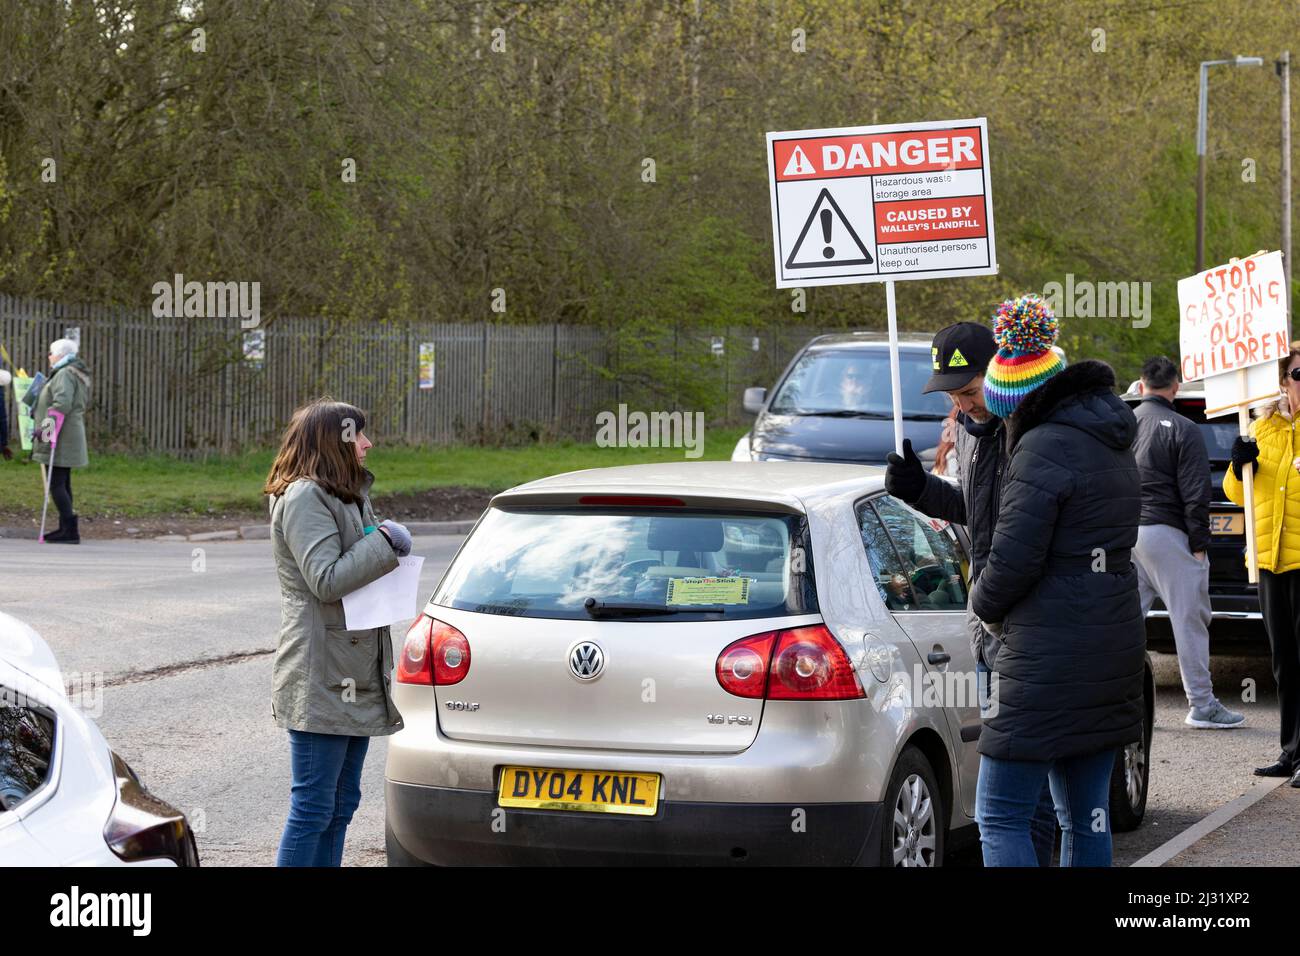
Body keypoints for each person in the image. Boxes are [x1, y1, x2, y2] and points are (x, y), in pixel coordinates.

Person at [967, 295, 1146, 867]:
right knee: (1086, 818)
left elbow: (1014, 561)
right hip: (1111, 645)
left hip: (1046, 657)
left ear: (1018, 402)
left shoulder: (1041, 448)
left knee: (1000, 816)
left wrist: (981, 601)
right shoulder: (1111, 439)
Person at [884, 317, 1058, 867]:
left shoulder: (1029, 436)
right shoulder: (968, 430)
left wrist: (987, 601)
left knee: (1028, 797)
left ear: (1001, 375)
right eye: (955, 396)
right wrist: (920, 492)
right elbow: (974, 512)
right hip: (989, 634)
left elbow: (1025, 537)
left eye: (970, 391)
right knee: (1015, 793)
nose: (963, 404)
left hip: (1029, 631)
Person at [265, 398, 413, 866]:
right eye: (359, 436)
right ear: (335, 441)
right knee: (313, 808)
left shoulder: (346, 493)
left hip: (355, 667)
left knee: (341, 804)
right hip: (320, 670)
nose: (368, 444)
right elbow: (325, 579)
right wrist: (385, 543)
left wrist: (382, 544)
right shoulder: (305, 496)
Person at [1132, 356, 1243, 729]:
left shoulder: (1124, 425)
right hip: (1168, 532)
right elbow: (1196, 493)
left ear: (1141, 384)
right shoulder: (1183, 428)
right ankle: (1202, 704)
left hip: (1127, 534)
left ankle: (1122, 702)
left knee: (1127, 622)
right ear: (1176, 387)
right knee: (1189, 620)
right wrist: (1199, 541)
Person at [1224, 342, 1300, 783]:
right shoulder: (1262, 429)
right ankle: (1290, 751)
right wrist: (1239, 467)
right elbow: (1240, 497)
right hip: (1270, 562)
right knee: (1283, 662)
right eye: (1299, 374)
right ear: (1283, 380)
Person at [31, 339, 91, 544]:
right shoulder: (71, 372)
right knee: (63, 482)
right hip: (67, 433)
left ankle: (71, 531)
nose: (49, 356)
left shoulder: (65, 374)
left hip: (62, 436)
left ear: (60, 355)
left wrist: (45, 432)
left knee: (55, 483)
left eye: (51, 353)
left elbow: (61, 404)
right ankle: (65, 528)